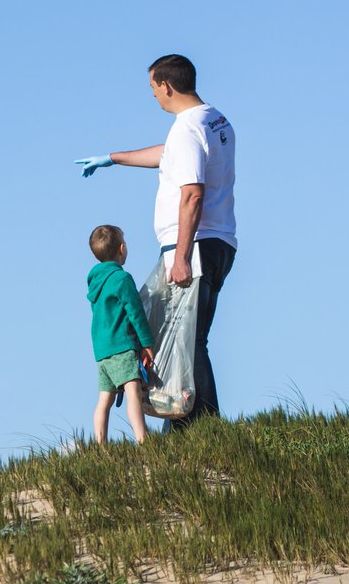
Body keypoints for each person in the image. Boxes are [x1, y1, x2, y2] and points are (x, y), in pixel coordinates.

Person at [76, 54, 236, 427]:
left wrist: (181, 256)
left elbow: (192, 193)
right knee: (187, 336)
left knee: (187, 338)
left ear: (166, 85)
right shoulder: (214, 120)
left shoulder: (186, 127)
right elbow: (167, 156)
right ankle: (186, 425)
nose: (153, 96)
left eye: (152, 87)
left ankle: (201, 425)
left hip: (192, 247)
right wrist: (112, 158)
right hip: (217, 241)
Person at [87, 224, 154, 445]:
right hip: (121, 345)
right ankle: (143, 439)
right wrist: (146, 342)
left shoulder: (95, 283)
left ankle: (100, 446)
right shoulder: (122, 279)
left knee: (104, 400)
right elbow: (135, 313)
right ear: (122, 249)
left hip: (102, 350)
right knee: (133, 390)